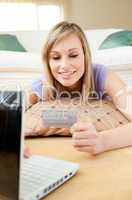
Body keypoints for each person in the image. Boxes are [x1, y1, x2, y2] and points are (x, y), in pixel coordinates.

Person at [28, 21, 132, 155]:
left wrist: (102, 141)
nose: (64, 65)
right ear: (48, 62)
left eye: (73, 55)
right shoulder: (41, 86)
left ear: (85, 56)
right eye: (56, 57)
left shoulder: (103, 76)